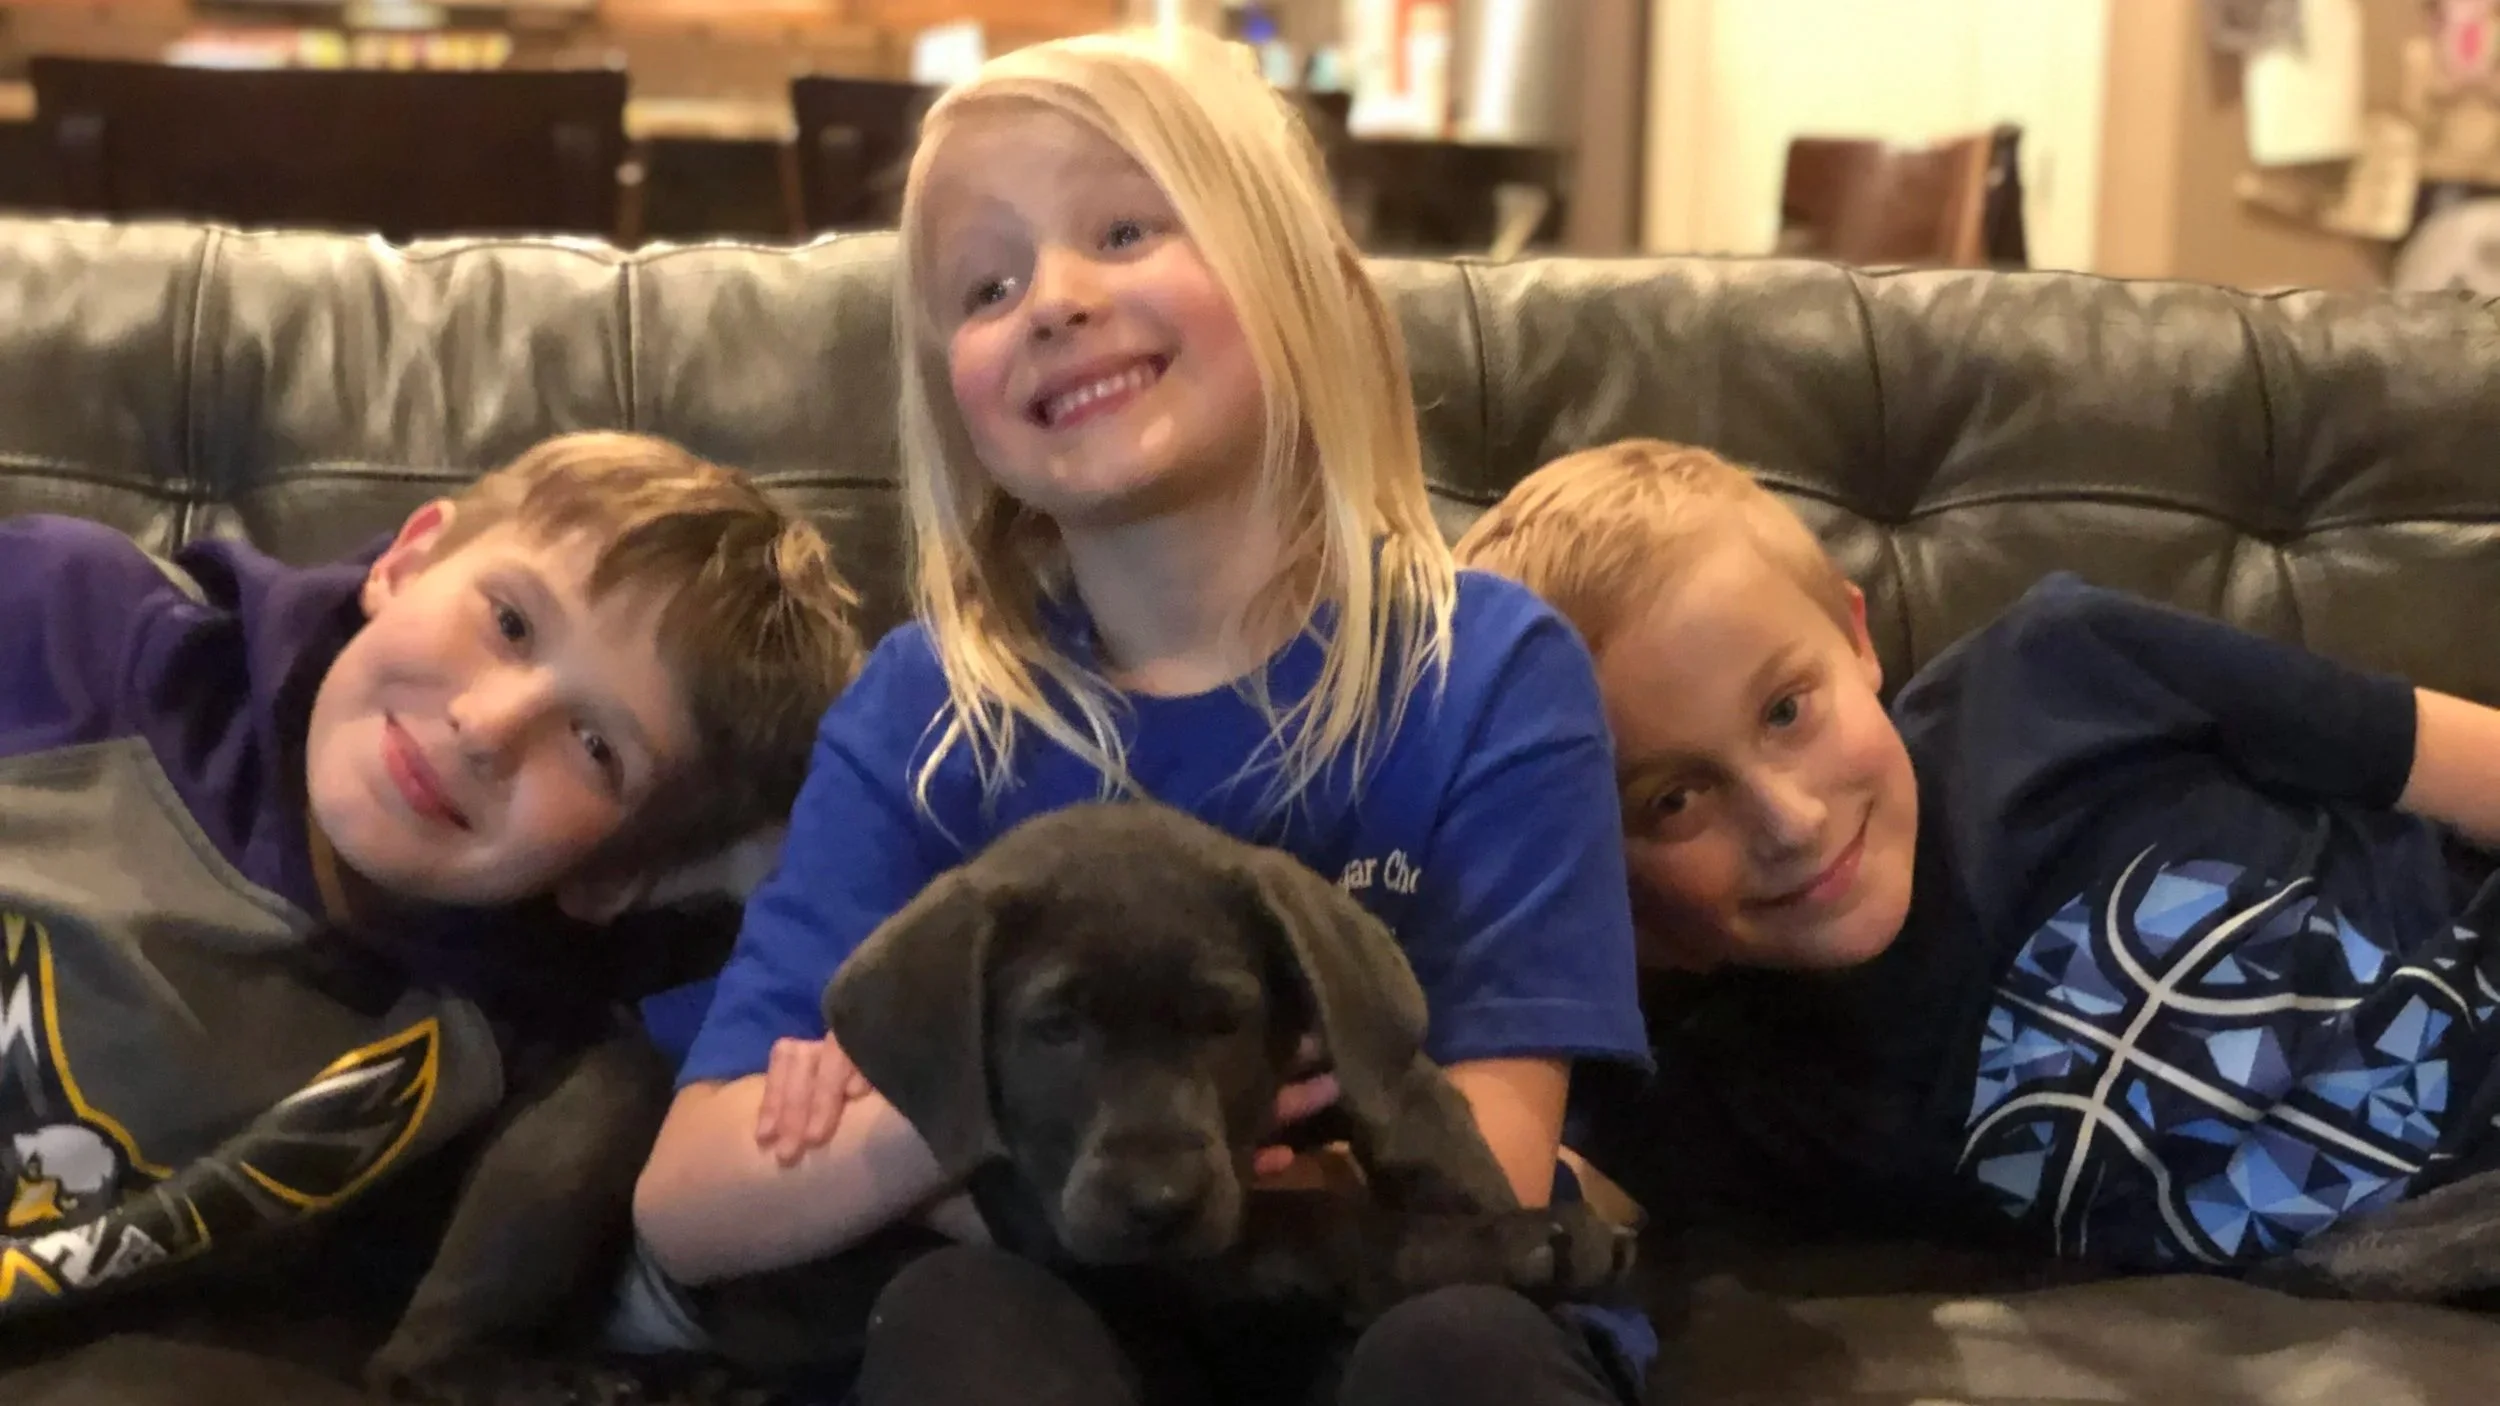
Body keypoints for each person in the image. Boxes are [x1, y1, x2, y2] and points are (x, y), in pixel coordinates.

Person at [630, 26, 1654, 1406]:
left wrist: (924, 1144)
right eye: (988, 285)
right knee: (958, 1316)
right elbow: (694, 1197)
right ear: (957, 399)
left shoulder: (1483, 670)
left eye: (1123, 229)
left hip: (1389, 1328)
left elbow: (1491, 1180)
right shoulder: (931, 712)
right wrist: (964, 1106)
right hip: (1059, 1321)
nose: (1053, 298)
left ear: (1306, 288)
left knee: (1460, 1343)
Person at [1453, 436, 2500, 1275]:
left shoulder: (2061, 671)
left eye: (1785, 709)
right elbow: (1476, 1199)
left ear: (1854, 635)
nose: (1789, 818)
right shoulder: (1723, 1095)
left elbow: (2458, 760)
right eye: (1674, 798)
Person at [0, 430, 860, 1328]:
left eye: (596, 748)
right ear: (409, 560)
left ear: (617, 878)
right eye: (511, 624)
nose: (489, 731)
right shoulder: (65, 617)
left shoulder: (525, 1067)